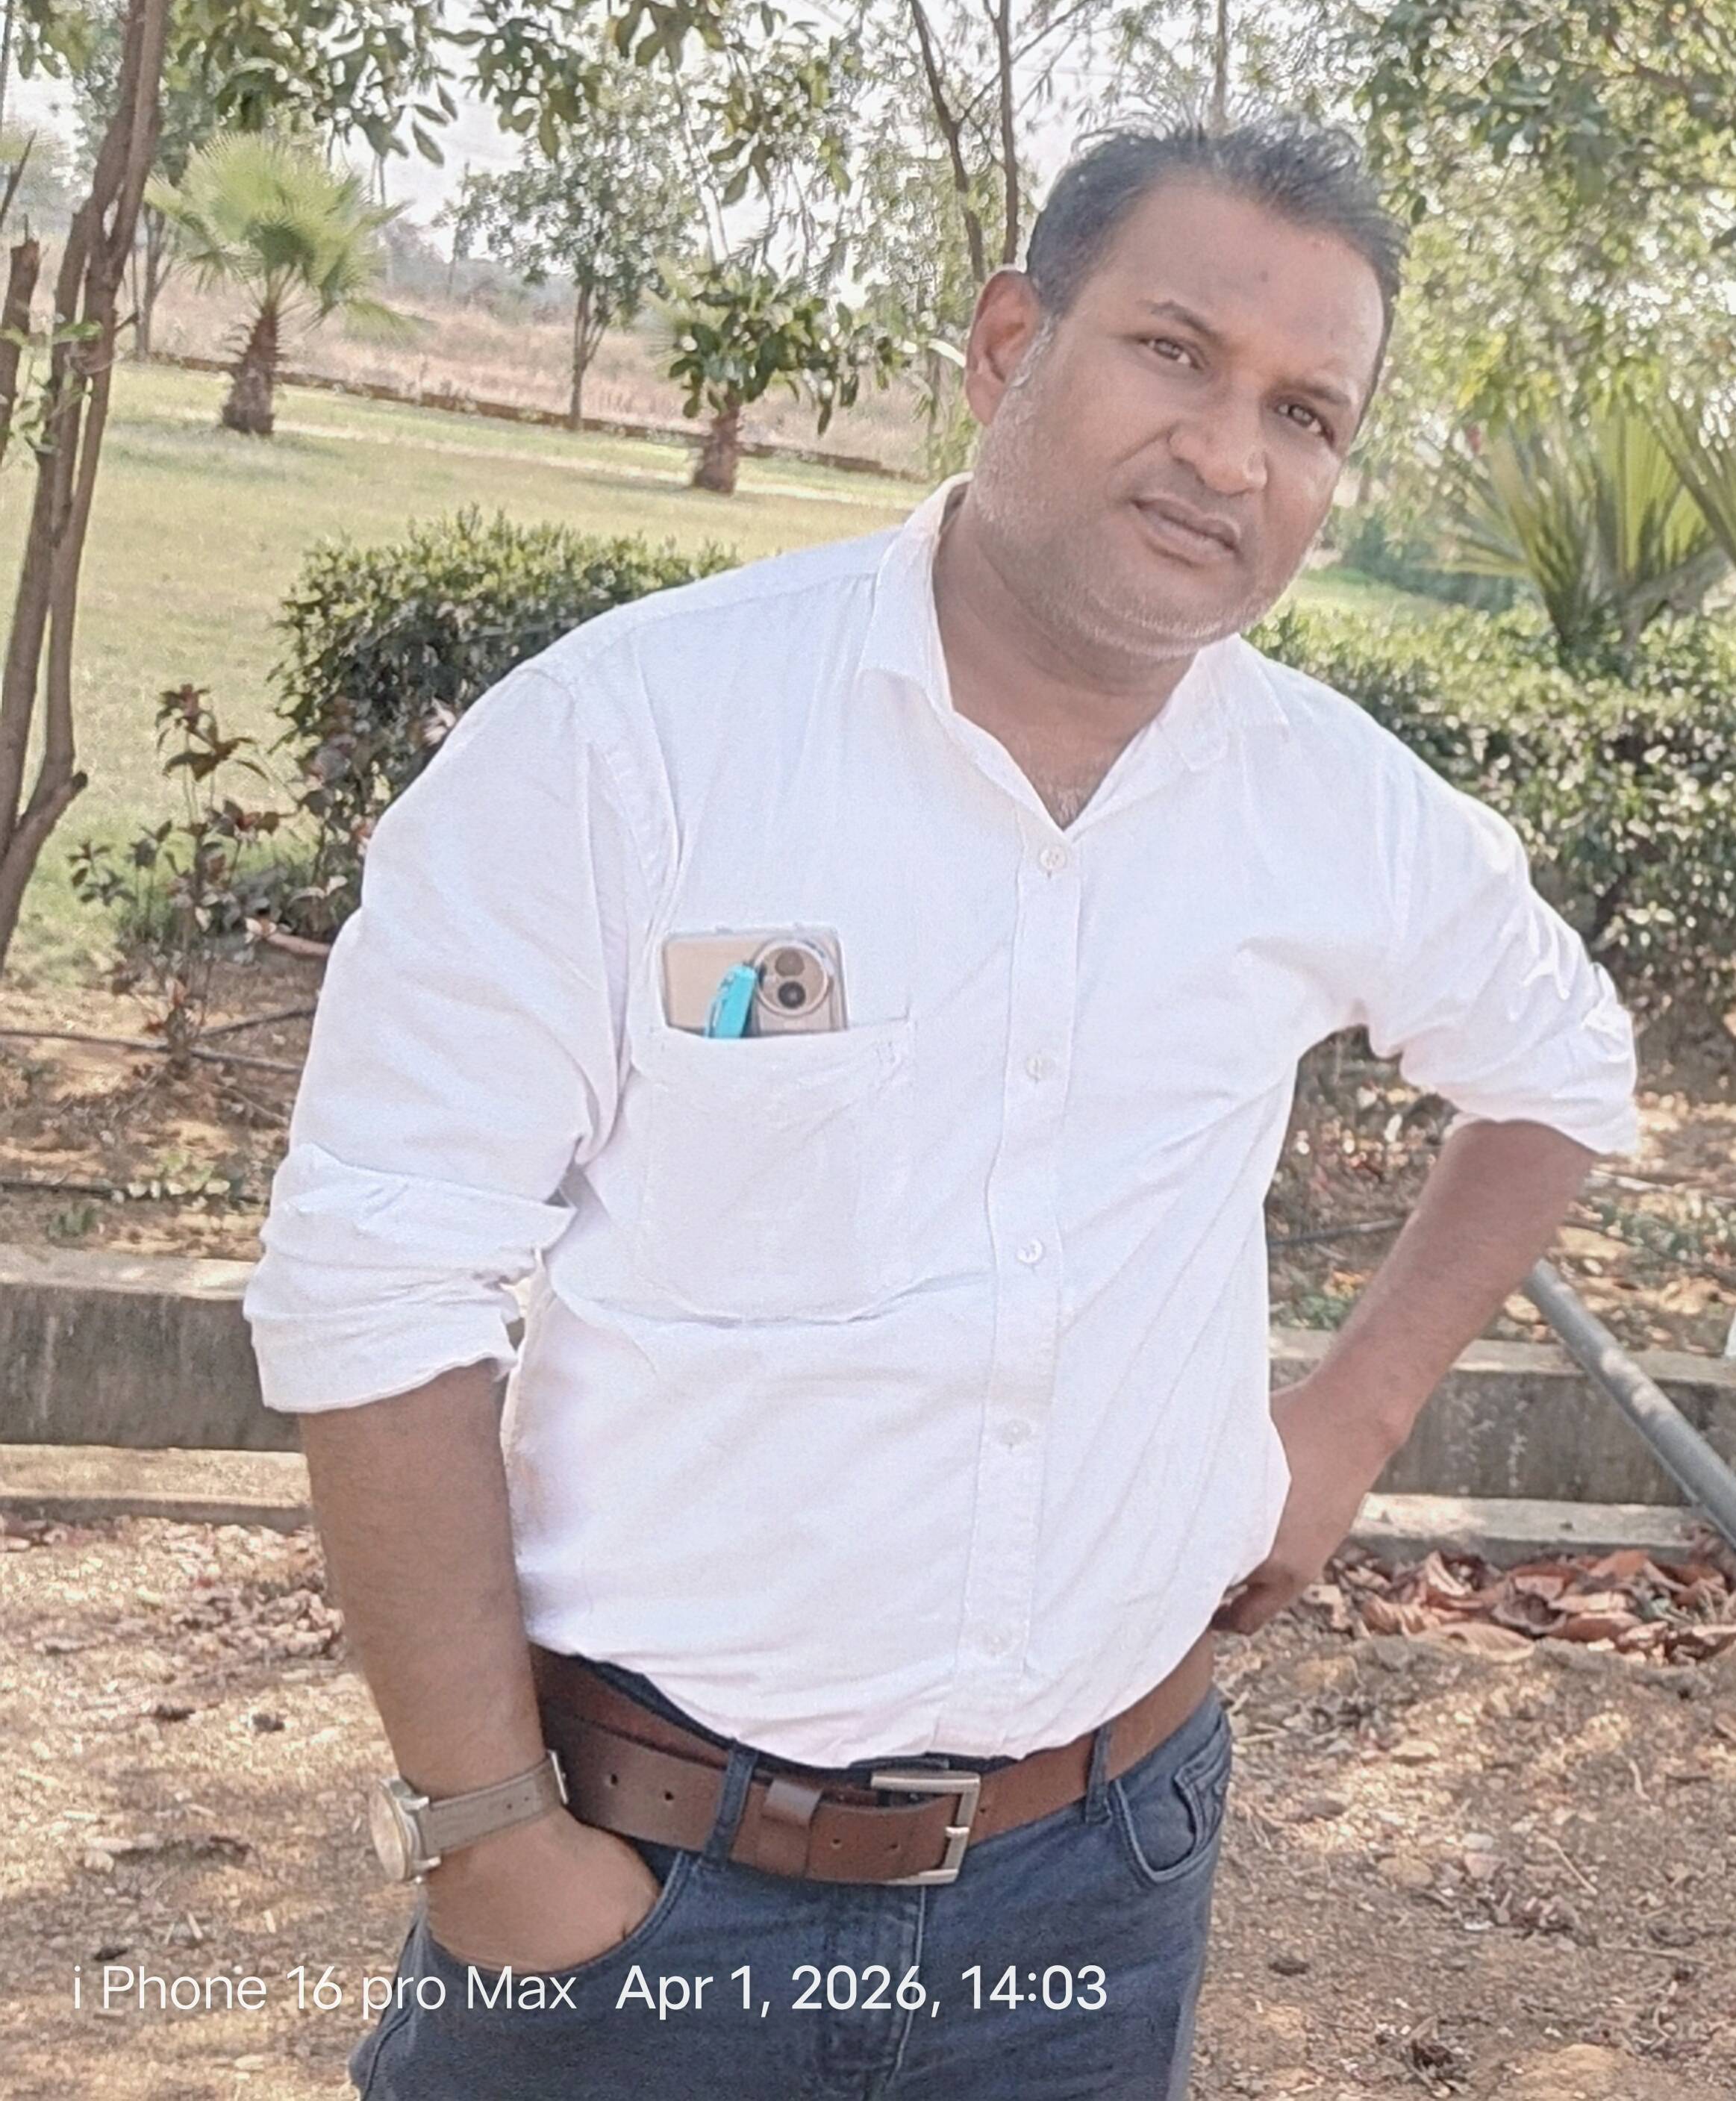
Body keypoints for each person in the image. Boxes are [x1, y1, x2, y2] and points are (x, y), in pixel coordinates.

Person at [245, 119, 1640, 2100]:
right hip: (644, 1883)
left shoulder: (1336, 811)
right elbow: (379, 1283)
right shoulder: (628, 747)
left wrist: (1347, 1425)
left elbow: (1562, 1068)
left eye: (1304, 413)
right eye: (1175, 353)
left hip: (1102, 1877)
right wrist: (486, 1832)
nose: (1230, 454)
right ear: (1007, 347)